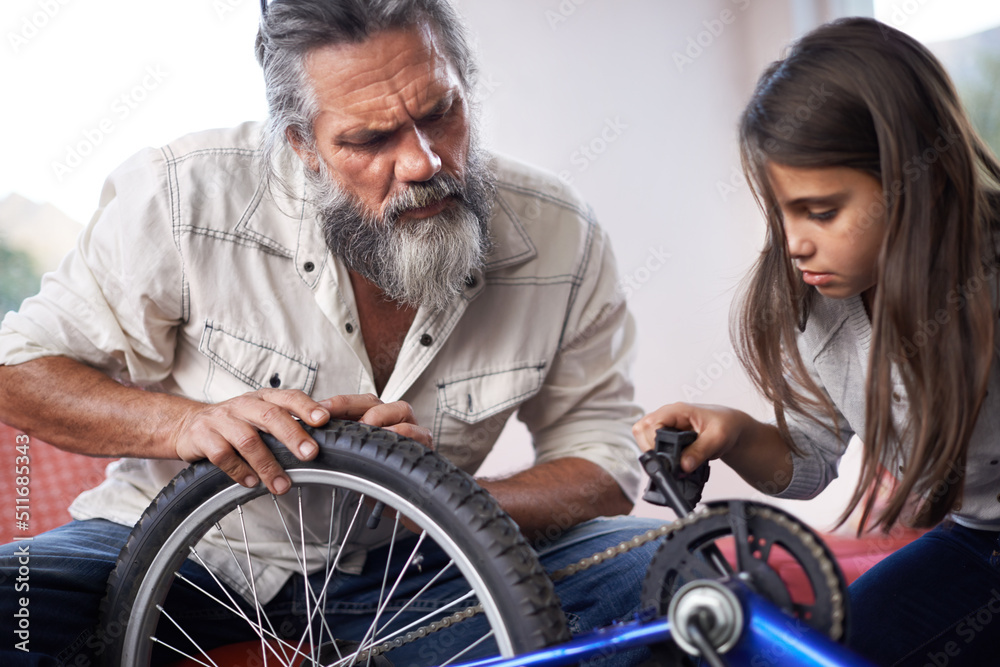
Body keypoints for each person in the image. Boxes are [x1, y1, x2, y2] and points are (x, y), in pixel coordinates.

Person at [0, 1, 661, 664]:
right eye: (371, 140)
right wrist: (184, 425)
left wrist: (448, 501)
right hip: (185, 546)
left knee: (666, 575)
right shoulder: (180, 197)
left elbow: (604, 457)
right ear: (302, 145)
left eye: (440, 113)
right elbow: (16, 369)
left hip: (416, 568)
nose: (423, 162)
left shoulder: (562, 234)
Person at [634, 16, 1000, 667]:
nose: (795, 241)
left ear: (924, 180)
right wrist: (739, 432)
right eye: (782, 210)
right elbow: (813, 459)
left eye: (822, 211)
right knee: (835, 651)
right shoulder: (820, 304)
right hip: (978, 539)